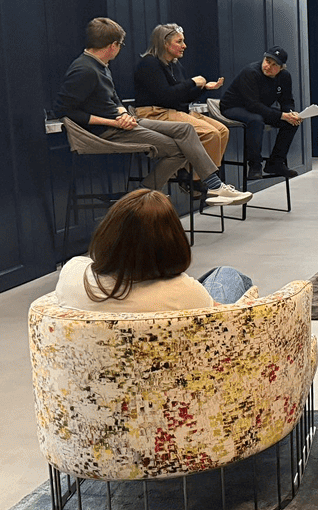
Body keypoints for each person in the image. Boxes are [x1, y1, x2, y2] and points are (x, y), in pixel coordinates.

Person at [52, 18, 251, 206]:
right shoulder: (84, 69)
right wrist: (113, 122)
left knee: (185, 130)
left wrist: (123, 114)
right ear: (113, 45)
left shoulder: (100, 66)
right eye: (120, 45)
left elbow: (113, 98)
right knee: (180, 148)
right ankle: (143, 194)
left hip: (122, 122)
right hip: (107, 132)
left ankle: (213, 187)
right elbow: (63, 110)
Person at [53, 189, 253, 312]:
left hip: (99, 366)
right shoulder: (184, 292)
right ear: (172, 243)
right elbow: (225, 317)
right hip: (173, 365)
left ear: (107, 233)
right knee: (228, 274)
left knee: (219, 275)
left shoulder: (73, 272)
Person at [133, 23, 228, 168]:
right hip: (156, 113)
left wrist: (203, 88)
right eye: (179, 41)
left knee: (222, 131)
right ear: (165, 43)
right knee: (210, 133)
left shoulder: (175, 65)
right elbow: (166, 96)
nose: (184, 46)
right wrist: (192, 82)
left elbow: (183, 96)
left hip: (175, 111)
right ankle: (200, 179)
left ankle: (208, 175)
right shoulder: (149, 63)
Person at [220, 46, 300, 181]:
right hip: (233, 107)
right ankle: (254, 166)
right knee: (256, 120)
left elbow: (287, 100)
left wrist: (290, 114)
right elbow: (252, 105)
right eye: (267, 61)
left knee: (292, 123)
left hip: (259, 108)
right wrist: (282, 115)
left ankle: (276, 162)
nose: (268, 66)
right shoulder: (251, 72)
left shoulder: (285, 77)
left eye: (274, 65)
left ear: (281, 68)